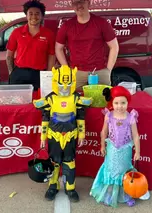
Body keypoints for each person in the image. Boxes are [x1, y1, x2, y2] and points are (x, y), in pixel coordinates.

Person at [33, 65, 92, 202]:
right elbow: (45, 118)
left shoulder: (76, 98)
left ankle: (70, 188)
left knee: (69, 163)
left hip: (71, 136)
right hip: (54, 137)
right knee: (54, 162)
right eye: (61, 83)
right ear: (55, 81)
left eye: (68, 83)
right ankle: (53, 186)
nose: (65, 87)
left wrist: (82, 135)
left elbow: (80, 118)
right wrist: (43, 137)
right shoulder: (50, 99)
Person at [55, 0, 119, 89]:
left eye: (82, 1)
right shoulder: (67, 26)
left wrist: (108, 70)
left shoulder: (101, 23)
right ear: (72, 6)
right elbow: (58, 48)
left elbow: (114, 46)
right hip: (77, 73)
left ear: (89, 3)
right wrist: (66, 68)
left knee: (101, 103)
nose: (79, 5)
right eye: (75, 3)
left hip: (100, 71)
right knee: (78, 102)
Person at [90, 86, 140, 208]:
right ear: (112, 103)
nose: (120, 106)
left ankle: (126, 194)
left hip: (125, 149)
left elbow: (136, 135)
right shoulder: (109, 116)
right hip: (112, 148)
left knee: (124, 171)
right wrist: (102, 145)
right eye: (116, 103)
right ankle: (109, 194)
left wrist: (137, 151)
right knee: (111, 170)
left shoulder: (130, 117)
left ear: (128, 102)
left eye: (123, 103)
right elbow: (104, 132)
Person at [6, 0, 56, 90]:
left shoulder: (49, 34)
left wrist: (48, 75)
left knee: (39, 102)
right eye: (31, 13)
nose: (34, 16)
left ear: (42, 16)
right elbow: (9, 54)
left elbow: (51, 55)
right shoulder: (17, 32)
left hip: (39, 74)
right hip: (19, 74)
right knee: (18, 102)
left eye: (37, 13)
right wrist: (11, 72)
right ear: (26, 15)